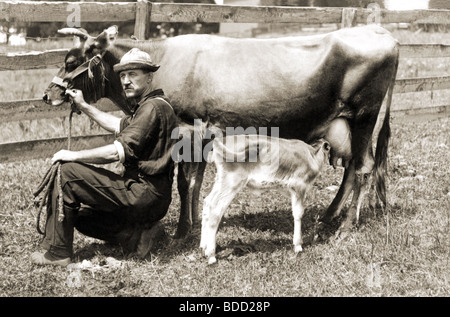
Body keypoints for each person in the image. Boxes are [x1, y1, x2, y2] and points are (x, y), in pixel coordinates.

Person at [31, 48, 179, 266]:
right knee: (82, 218)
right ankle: (138, 236)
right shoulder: (154, 105)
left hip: (143, 193)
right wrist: (84, 106)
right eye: (122, 76)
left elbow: (115, 152)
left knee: (67, 172)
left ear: (149, 77)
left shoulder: (151, 109)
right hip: (152, 196)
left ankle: (58, 252)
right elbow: (117, 125)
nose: (126, 81)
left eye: (133, 74)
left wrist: (72, 155)